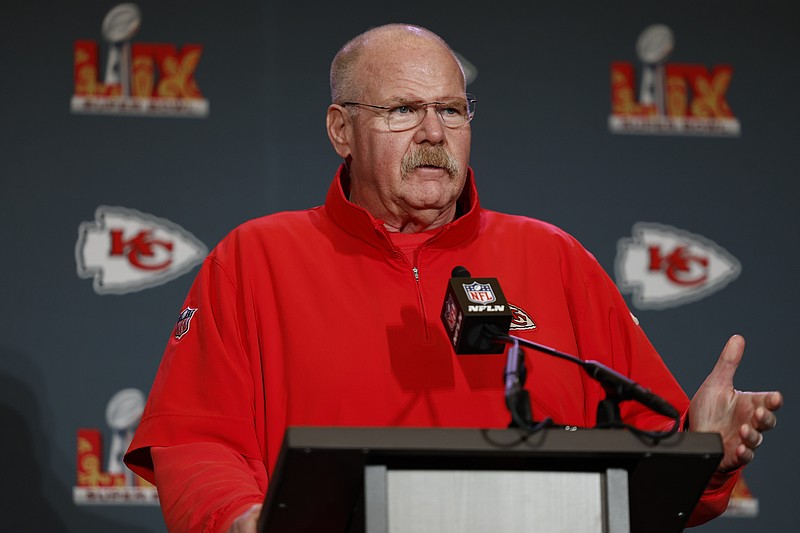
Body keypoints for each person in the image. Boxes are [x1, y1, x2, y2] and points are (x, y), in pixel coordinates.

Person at [124, 23, 782, 533]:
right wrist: (238, 516)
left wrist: (706, 452)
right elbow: (195, 438)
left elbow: (650, 470)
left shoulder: (555, 260)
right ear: (341, 130)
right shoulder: (254, 260)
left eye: (453, 110)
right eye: (403, 110)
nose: (434, 133)